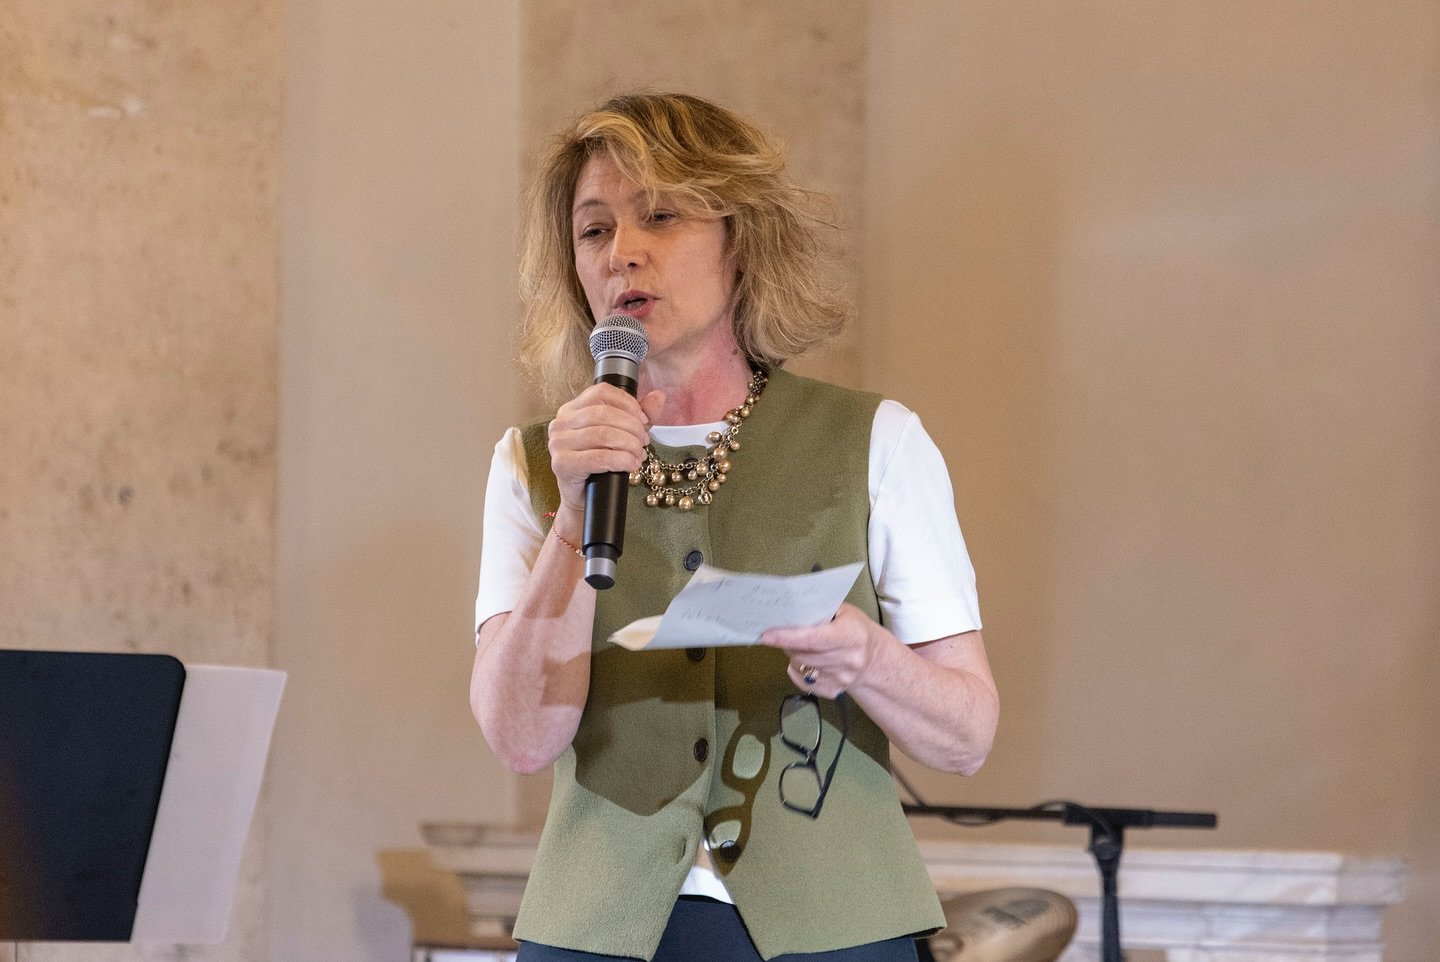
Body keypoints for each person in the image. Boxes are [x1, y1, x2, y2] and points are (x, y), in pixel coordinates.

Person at [471, 92, 999, 962]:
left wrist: (869, 659)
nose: (622, 251)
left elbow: (967, 736)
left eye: (661, 215)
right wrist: (571, 520)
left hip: (834, 927)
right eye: (594, 230)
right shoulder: (531, 463)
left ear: (740, 239)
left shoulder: (876, 440)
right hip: (601, 930)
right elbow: (521, 739)